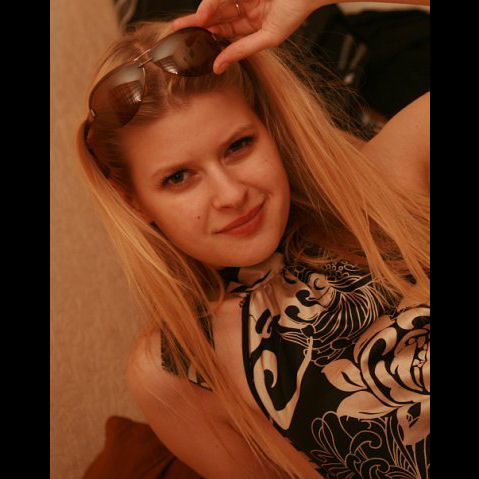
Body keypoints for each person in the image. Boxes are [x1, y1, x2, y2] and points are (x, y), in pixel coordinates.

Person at [77, 0, 429, 477]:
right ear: (135, 201)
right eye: (178, 177)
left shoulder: (385, 184)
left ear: (270, 128)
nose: (231, 195)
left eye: (238, 146)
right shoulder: (177, 369)